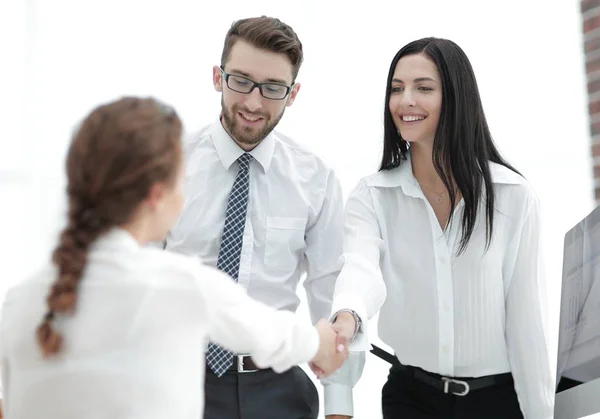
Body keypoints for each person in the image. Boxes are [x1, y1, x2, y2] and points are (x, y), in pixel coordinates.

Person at [0, 97, 348, 419]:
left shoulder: (17, 304)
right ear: (156, 194)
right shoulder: (181, 287)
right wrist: (323, 342)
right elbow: (274, 334)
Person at [330, 37, 554, 418]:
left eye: (424, 88)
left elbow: (527, 326)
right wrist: (348, 314)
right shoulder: (372, 197)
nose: (405, 101)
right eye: (396, 89)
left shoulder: (513, 197)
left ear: (456, 97)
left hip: (496, 402)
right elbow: (359, 270)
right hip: (410, 397)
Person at [162, 15, 363, 419]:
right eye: (241, 81)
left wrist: (339, 407)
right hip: (178, 385)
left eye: (272, 88)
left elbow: (331, 296)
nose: (254, 103)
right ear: (217, 77)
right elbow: (132, 282)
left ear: (292, 94)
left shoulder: (315, 178)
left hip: (279, 390)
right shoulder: (166, 166)